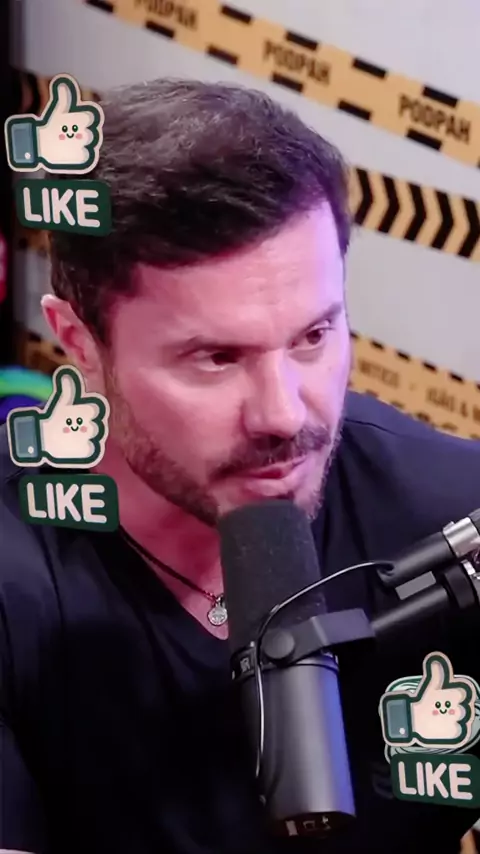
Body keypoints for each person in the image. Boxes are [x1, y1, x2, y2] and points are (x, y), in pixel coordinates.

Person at [1, 76, 480, 854]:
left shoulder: (452, 514)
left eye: (313, 338)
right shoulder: (18, 576)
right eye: (216, 358)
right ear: (81, 343)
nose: (284, 415)